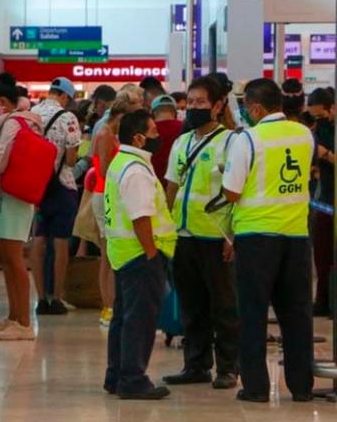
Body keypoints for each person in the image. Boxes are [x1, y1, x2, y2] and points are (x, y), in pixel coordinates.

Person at [222, 78, 314, 403]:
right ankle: (302, 387)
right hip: (297, 236)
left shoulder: (248, 139)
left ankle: (257, 387)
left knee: (252, 314)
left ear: (257, 107)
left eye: (246, 106)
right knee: (297, 314)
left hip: (256, 238)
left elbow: (232, 191)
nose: (245, 112)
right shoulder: (304, 134)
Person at [162, 76, 239, 390]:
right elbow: (172, 187)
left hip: (216, 236)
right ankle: (195, 364)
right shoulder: (182, 142)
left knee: (223, 306)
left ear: (218, 106)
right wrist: (164, 227)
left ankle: (228, 368)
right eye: (189, 102)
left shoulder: (232, 142)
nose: (192, 108)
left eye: (200, 103)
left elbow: (239, 193)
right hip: (183, 235)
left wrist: (232, 236)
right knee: (192, 305)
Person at [103, 110, 176, 400]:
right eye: (155, 132)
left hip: (124, 252)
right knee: (140, 319)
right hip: (140, 254)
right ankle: (133, 378)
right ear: (139, 138)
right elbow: (140, 216)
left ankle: (116, 374)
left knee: (124, 316)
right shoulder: (135, 170)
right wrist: (150, 252)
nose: (159, 137)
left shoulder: (122, 162)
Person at [0, 74, 42, 341]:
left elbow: (1, 161)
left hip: (15, 195)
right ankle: (14, 316)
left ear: (2, 102)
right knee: (6, 256)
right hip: (6, 194)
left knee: (15, 258)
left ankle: (25, 321)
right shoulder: (12, 122)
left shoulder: (12, 123)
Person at [30, 77, 81, 315]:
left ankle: (40, 300)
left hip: (37, 187)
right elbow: (71, 160)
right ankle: (56, 298)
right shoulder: (68, 118)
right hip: (62, 186)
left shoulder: (31, 113)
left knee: (38, 240)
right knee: (61, 243)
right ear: (65, 97)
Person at [90, 94, 142, 327]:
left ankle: (115, 305)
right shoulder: (106, 136)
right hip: (105, 194)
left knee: (115, 252)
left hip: (113, 193)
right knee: (108, 255)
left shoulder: (115, 135)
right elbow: (103, 169)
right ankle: (108, 307)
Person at [307, 87, 335, 317]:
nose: (318, 121)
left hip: (331, 199)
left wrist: (325, 154)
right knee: (321, 255)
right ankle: (323, 299)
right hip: (322, 201)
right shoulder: (316, 131)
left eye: (321, 116)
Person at [150, 94, 183, 188]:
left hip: (153, 185)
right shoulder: (184, 128)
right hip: (178, 186)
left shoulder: (148, 131)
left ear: (153, 113)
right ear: (175, 112)